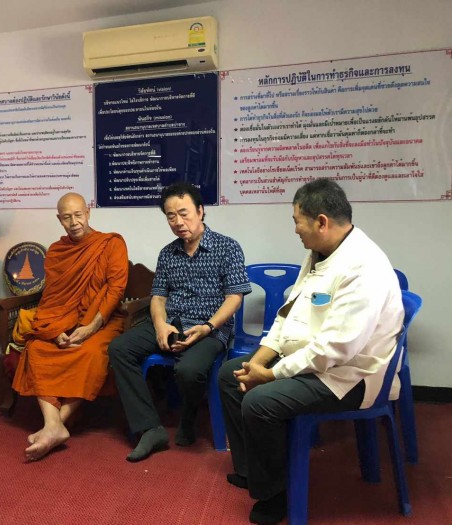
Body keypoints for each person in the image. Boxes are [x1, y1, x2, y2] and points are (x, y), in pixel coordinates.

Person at [218, 178, 404, 525]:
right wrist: (258, 362)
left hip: (349, 376)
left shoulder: (364, 268)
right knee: (231, 376)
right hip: (312, 359)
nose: (295, 230)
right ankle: (253, 471)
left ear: (321, 221)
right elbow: (287, 315)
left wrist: (271, 374)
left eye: (297, 221)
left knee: (260, 402)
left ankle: (275, 493)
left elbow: (336, 349)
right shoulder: (320, 253)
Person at [108, 181, 251, 462]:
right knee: (119, 349)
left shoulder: (227, 248)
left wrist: (208, 327)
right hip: (172, 323)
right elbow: (158, 298)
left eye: (184, 213)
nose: (178, 222)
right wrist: (161, 326)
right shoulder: (167, 253)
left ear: (200, 211)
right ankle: (150, 427)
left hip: (210, 328)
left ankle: (189, 414)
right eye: (171, 216)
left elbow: (234, 298)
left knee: (189, 370)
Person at [12, 192, 129, 461]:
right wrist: (55, 330)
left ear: (88, 213)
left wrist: (91, 327)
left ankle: (54, 426)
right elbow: (53, 297)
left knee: (89, 352)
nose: (74, 222)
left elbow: (116, 289)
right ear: (59, 220)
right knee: (37, 348)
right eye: (67, 217)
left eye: (78, 215)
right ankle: (54, 426)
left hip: (102, 321)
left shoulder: (111, 244)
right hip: (62, 320)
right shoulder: (57, 251)